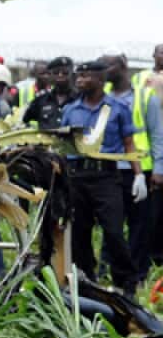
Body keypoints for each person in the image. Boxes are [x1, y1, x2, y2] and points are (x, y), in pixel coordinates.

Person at [62, 60, 141, 292]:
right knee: (79, 234)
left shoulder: (117, 108)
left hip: (106, 178)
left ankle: (126, 284)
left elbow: (129, 143)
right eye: (79, 76)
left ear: (100, 79)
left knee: (114, 232)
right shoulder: (70, 110)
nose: (80, 80)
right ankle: (87, 282)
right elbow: (63, 145)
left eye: (85, 76)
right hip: (77, 178)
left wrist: (138, 175)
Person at [98, 54, 163, 284]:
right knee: (110, 224)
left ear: (123, 67)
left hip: (140, 171)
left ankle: (136, 273)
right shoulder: (100, 96)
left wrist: (158, 169)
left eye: (109, 65)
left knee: (139, 225)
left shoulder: (145, 96)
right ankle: (106, 271)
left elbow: (157, 135)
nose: (104, 70)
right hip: (108, 169)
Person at [22, 56, 74, 129]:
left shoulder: (80, 99)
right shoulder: (40, 100)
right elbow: (24, 121)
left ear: (72, 74)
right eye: (56, 72)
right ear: (51, 75)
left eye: (65, 72)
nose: (60, 75)